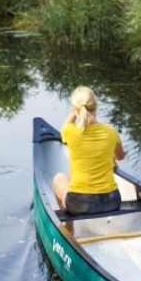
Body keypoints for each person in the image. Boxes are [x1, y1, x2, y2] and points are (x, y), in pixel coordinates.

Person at [52, 86, 126, 214]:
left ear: (75, 107)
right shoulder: (111, 131)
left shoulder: (70, 131)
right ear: (96, 106)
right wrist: (105, 153)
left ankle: (70, 228)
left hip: (80, 204)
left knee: (59, 178)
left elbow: (62, 130)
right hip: (112, 201)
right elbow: (120, 156)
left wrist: (75, 112)